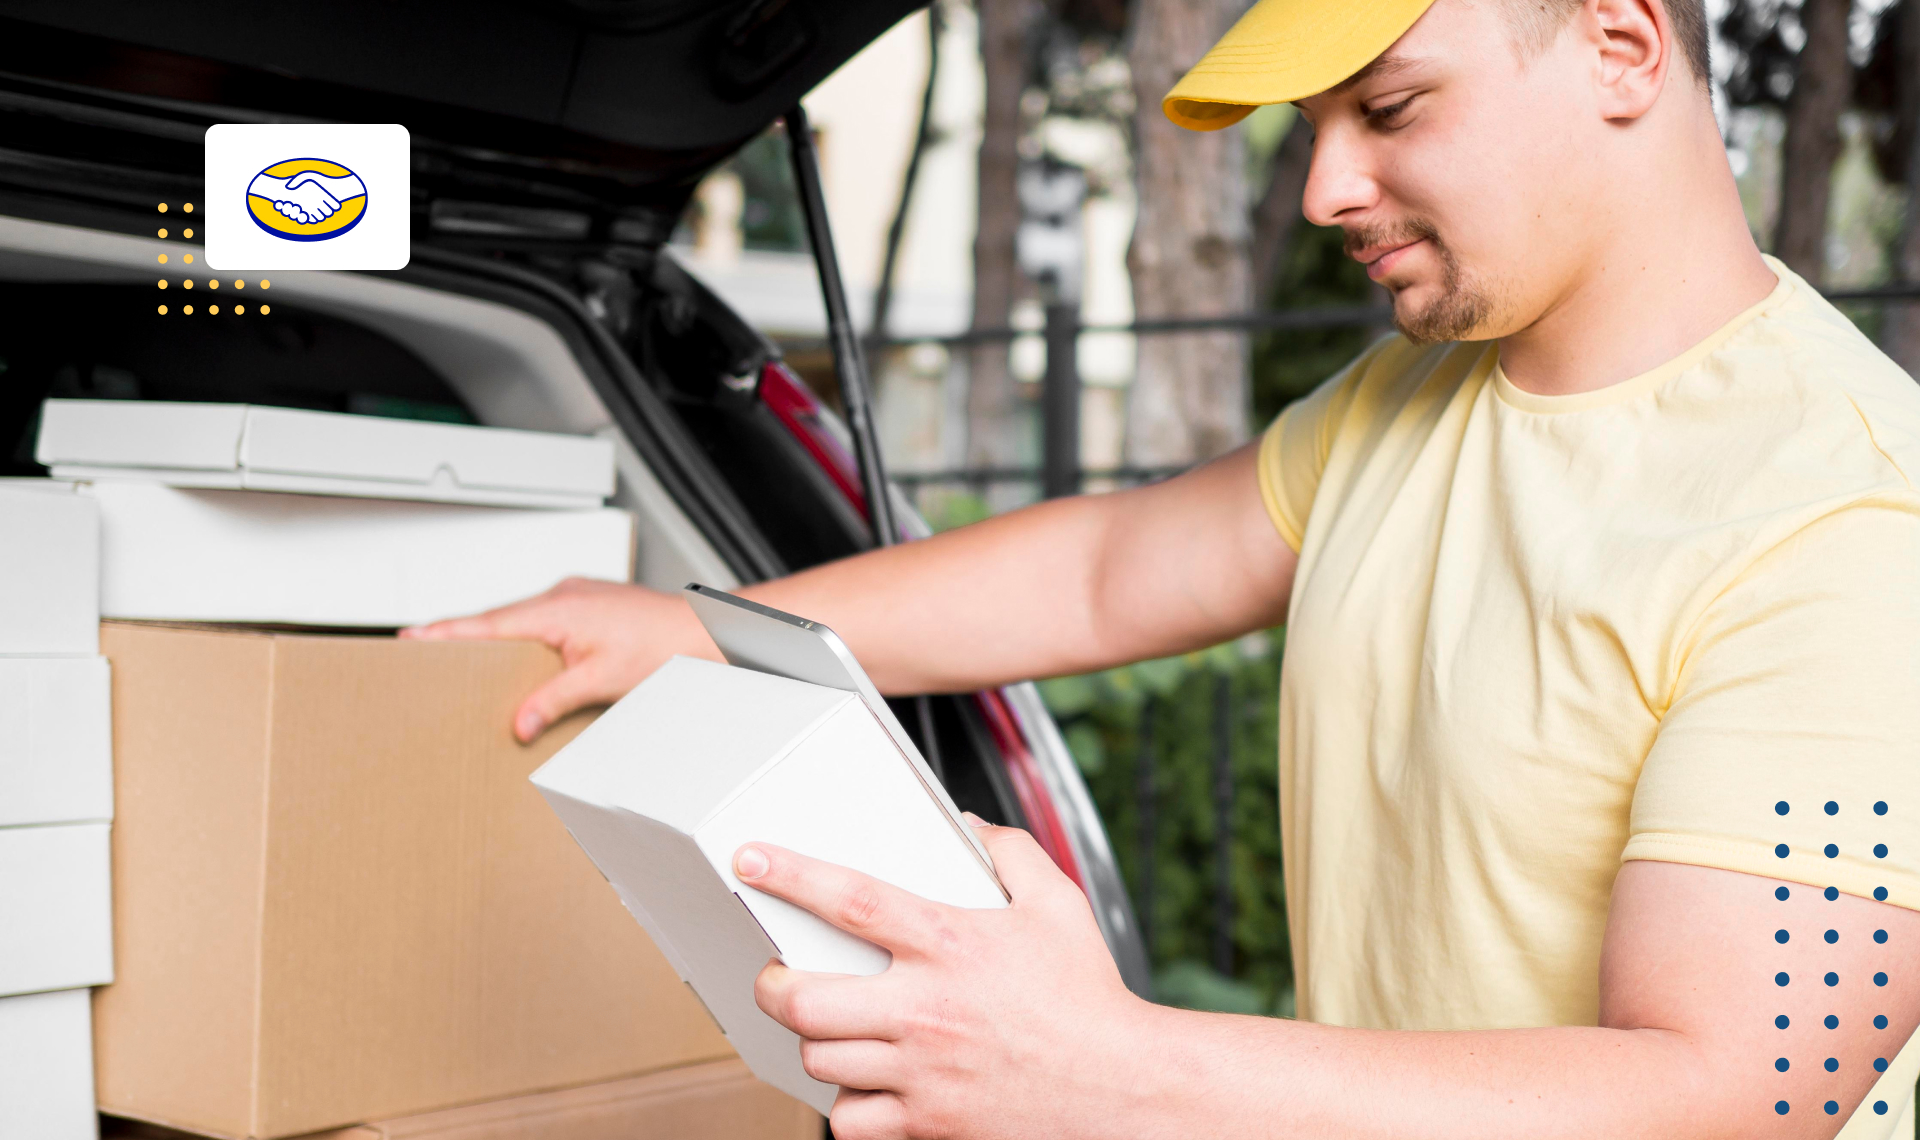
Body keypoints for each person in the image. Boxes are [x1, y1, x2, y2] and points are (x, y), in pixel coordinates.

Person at [406, 0, 1920, 1130]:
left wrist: (1111, 1068)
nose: (1323, 188)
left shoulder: (1851, 523)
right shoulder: (1421, 401)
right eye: (1316, 125)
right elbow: (1112, 569)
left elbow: (1736, 1088)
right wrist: (689, 625)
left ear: (1622, 45)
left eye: (1386, 109)